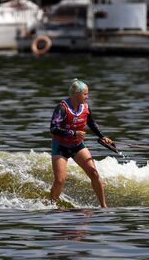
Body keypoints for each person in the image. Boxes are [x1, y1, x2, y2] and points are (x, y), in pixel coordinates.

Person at [49, 78, 114, 208]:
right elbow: (53, 128)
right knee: (60, 180)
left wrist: (102, 136)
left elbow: (91, 123)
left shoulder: (85, 107)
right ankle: (51, 205)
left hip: (77, 145)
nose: (87, 96)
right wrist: (73, 133)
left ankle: (104, 206)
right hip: (60, 147)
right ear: (76, 94)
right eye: (85, 94)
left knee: (94, 173)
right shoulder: (62, 108)